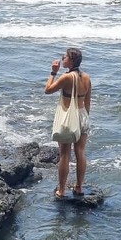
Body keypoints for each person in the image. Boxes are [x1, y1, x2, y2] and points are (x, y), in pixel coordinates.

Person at [44, 46, 92, 199]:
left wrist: (53, 72)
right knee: (80, 152)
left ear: (71, 61)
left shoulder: (66, 77)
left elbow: (48, 90)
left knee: (65, 154)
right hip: (83, 116)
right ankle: (79, 187)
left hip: (69, 119)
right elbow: (87, 102)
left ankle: (62, 190)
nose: (62, 59)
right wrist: (84, 119)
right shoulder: (87, 77)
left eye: (64, 57)